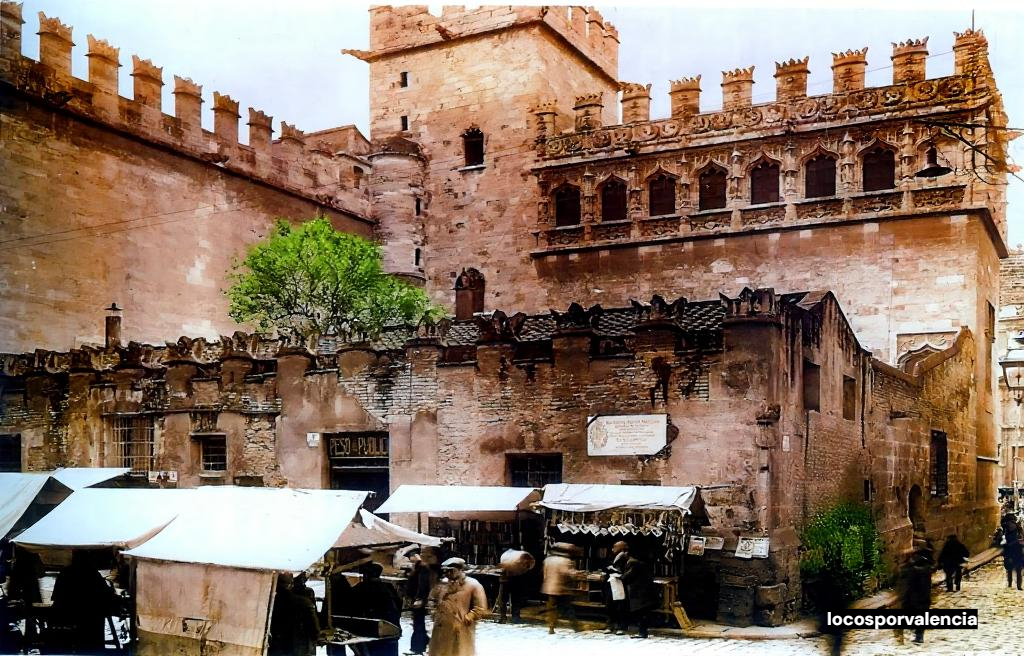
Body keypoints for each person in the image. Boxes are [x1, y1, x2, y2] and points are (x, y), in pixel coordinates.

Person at [50, 550, 117, 656]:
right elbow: (105, 594)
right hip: (88, 617)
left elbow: (56, 597)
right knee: (97, 617)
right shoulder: (92, 573)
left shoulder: (66, 572)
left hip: (68, 615)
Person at [428, 557, 488, 656]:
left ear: (460, 569)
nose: (448, 573)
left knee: (459, 651)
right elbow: (432, 598)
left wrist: (469, 617)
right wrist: (433, 611)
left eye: (451, 570)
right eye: (446, 571)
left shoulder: (473, 584)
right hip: (441, 626)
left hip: (461, 626)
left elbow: (480, 607)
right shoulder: (442, 583)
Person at [353, 562, 403, 656]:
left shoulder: (360, 588)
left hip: (373, 632)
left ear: (365, 575)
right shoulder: (389, 587)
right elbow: (398, 606)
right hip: (391, 630)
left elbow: (354, 611)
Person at [268, 572, 320, 656]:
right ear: (291, 585)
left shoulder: (269, 603)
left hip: (275, 648)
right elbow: (313, 629)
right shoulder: (304, 603)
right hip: (297, 648)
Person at [619, 544, 658, 639]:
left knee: (640, 612)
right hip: (644, 591)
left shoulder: (633, 563)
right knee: (643, 612)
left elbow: (627, 576)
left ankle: (642, 632)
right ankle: (642, 632)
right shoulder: (640, 563)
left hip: (639, 592)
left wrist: (621, 576)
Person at [405, 549, 438, 656]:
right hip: (418, 599)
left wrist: (419, 598)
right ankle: (422, 645)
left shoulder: (422, 567)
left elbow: (423, 584)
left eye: (411, 557)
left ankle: (418, 647)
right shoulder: (418, 567)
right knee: (418, 624)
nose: (410, 560)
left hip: (420, 600)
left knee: (418, 624)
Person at [542, 543, 580, 634]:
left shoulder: (548, 560)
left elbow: (545, 574)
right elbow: (568, 573)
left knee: (552, 609)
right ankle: (575, 626)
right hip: (562, 588)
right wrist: (577, 573)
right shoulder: (565, 561)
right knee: (568, 608)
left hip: (550, 588)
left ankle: (551, 627)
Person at [897, 548, 933, 645]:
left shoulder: (911, 569)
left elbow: (907, 585)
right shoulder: (926, 567)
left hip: (913, 598)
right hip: (924, 596)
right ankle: (919, 636)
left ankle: (915, 635)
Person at [603, 541, 630, 634]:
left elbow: (626, 570)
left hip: (620, 583)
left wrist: (618, 572)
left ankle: (621, 627)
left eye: (615, 547)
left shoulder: (625, 557)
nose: (613, 549)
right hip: (611, 583)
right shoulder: (612, 556)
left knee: (620, 606)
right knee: (609, 605)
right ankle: (610, 625)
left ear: (621, 548)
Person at [1001, 512, 1024, 590]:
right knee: (1018, 569)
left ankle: (1010, 583)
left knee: (1010, 568)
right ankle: (1019, 586)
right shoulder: (1018, 527)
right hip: (1018, 550)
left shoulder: (1006, 527)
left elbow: (1005, 540)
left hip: (1010, 550)